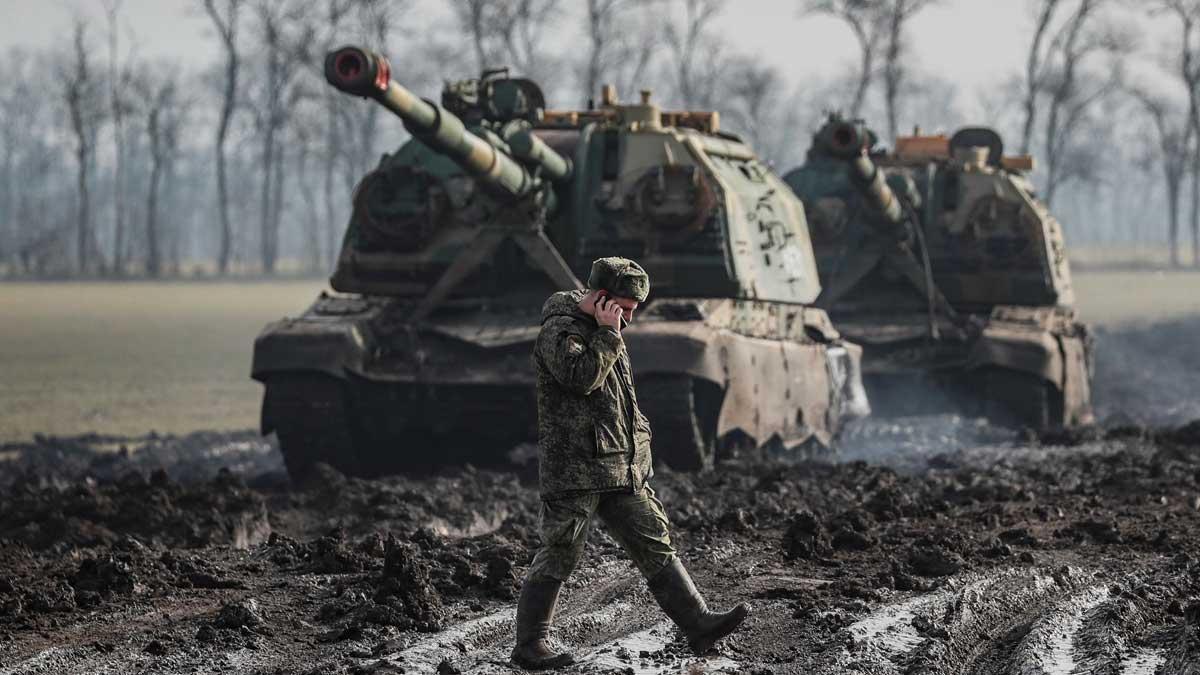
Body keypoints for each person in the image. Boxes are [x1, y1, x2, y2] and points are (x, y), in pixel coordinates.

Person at [511, 256, 750, 670]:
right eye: (624, 307)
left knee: (652, 539)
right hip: (577, 470)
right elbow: (580, 378)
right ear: (602, 299)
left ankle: (696, 622)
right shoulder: (561, 330)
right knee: (561, 550)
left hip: (619, 467)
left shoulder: (608, 329)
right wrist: (606, 334)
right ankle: (530, 644)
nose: (629, 318)